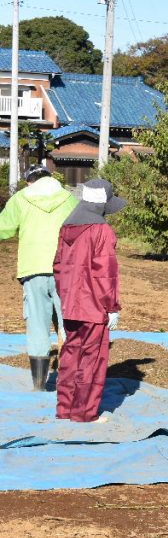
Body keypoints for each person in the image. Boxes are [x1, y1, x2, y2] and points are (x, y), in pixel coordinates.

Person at [52, 179, 124, 423]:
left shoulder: (66, 227)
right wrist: (111, 306)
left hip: (70, 304)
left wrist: (65, 298)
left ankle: (65, 409)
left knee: (71, 355)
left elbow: (58, 267)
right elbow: (105, 273)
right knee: (92, 359)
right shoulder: (101, 230)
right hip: (93, 305)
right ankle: (84, 413)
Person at [0, 164, 77, 390]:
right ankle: (70, 381)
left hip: (33, 268)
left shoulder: (21, 198)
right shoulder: (69, 198)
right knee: (68, 322)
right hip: (66, 269)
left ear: (29, 181)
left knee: (36, 323)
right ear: (50, 178)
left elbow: (4, 228)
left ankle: (39, 385)